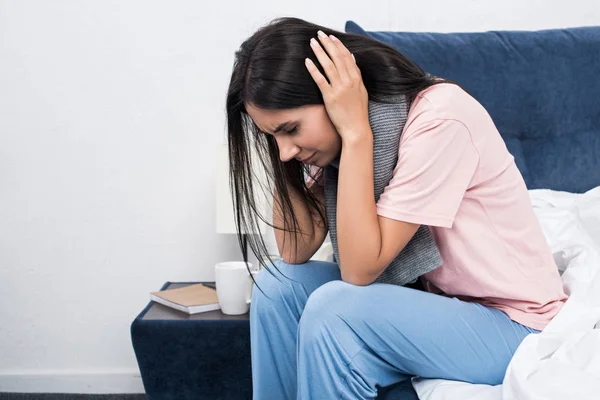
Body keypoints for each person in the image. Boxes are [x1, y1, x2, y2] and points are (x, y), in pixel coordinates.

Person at [225, 17, 568, 400]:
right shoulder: (353, 141)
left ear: (335, 98)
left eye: (290, 130)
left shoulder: (439, 118)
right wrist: (285, 152)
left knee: (334, 308)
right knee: (278, 286)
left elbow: (359, 270)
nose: (286, 150)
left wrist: (355, 133)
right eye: (272, 137)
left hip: (515, 324)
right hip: (439, 305)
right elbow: (294, 250)